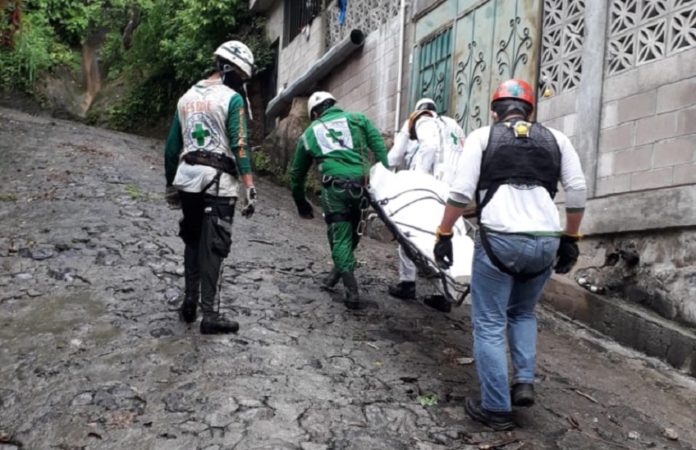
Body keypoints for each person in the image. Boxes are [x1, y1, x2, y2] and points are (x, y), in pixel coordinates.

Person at [433, 79, 586, 430]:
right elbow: (577, 189)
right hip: (545, 241)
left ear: (494, 111)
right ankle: (524, 381)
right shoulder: (557, 139)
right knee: (522, 312)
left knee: (489, 323)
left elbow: (460, 192)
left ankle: (496, 408)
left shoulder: (482, 137)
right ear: (530, 111)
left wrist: (444, 233)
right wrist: (571, 238)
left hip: (500, 241)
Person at [164, 40, 258, 334]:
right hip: (219, 181)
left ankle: (189, 303)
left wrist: (170, 184)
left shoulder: (186, 97)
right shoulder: (232, 99)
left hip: (188, 178)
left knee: (192, 240)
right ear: (230, 70)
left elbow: (171, 148)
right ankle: (210, 315)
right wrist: (249, 185)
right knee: (215, 246)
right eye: (242, 77)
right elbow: (240, 143)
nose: (242, 83)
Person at [289, 91, 389, 309]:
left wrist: (300, 202)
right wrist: (387, 177)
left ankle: (352, 292)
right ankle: (334, 276)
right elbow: (379, 147)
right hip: (362, 187)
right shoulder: (358, 119)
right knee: (353, 234)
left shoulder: (309, 133)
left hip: (335, 189)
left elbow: (296, 174)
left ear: (315, 113)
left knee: (340, 238)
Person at [388, 98, 465, 303]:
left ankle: (407, 283)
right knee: (445, 238)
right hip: (453, 190)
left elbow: (400, 156)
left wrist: (416, 178)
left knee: (407, 231)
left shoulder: (420, 120)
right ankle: (444, 294)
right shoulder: (453, 126)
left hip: (429, 188)